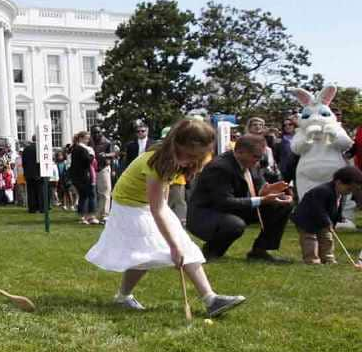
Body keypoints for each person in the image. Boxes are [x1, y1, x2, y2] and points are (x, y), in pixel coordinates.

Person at [85, 119, 246, 317]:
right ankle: (123, 296)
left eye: (196, 157)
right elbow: (156, 208)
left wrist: (174, 231)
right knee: (145, 253)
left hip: (148, 204)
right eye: (189, 155)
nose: (190, 161)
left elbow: (163, 196)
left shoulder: (173, 158)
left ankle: (211, 299)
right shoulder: (156, 162)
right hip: (130, 206)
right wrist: (173, 246)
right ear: (177, 144)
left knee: (185, 246)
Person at [187, 135, 294, 262]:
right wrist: (262, 200)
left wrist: (268, 189)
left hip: (235, 208)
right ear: (239, 152)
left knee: (282, 204)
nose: (259, 160)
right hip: (206, 215)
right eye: (255, 156)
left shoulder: (252, 163)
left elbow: (259, 184)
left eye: (260, 156)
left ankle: (260, 250)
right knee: (234, 224)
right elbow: (224, 202)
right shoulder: (220, 167)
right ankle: (211, 252)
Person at [291, 166, 362, 264]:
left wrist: (338, 217)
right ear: (338, 182)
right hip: (307, 219)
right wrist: (327, 221)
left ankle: (327, 258)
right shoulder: (322, 191)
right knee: (310, 239)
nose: (350, 192)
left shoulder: (341, 193)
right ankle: (312, 259)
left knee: (327, 238)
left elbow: (335, 208)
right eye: (349, 188)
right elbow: (318, 208)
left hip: (323, 220)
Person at [69, 131, 98, 225]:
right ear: (81, 138)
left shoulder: (76, 148)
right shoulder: (82, 149)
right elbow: (87, 161)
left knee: (85, 196)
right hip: (84, 175)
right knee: (87, 196)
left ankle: (86, 216)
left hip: (80, 175)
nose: (88, 140)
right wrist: (92, 155)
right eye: (86, 138)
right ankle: (87, 216)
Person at [90, 126, 116, 221]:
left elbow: (114, 153)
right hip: (92, 169)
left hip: (103, 168)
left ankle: (105, 214)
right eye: (94, 133)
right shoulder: (90, 142)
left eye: (98, 132)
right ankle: (96, 214)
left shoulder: (107, 142)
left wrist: (105, 155)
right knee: (95, 193)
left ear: (101, 132)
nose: (96, 134)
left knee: (105, 192)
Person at [22, 136, 44, 213]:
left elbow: (23, 163)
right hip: (39, 173)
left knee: (31, 192)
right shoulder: (41, 148)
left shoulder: (26, 149)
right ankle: (41, 207)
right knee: (40, 191)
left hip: (29, 173)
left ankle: (32, 208)